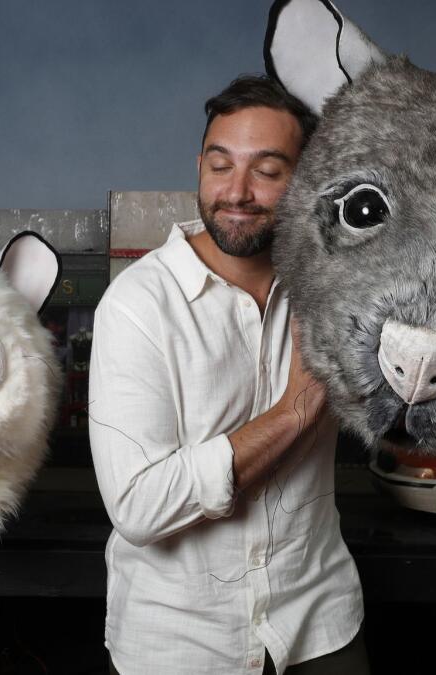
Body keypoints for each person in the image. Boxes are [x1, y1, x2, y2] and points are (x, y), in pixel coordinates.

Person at [89, 76, 369, 674]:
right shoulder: (137, 304)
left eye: (267, 171)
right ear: (199, 167)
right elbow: (139, 507)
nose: (236, 192)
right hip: (181, 643)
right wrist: (296, 411)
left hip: (319, 624)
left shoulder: (338, 288)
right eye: (220, 166)